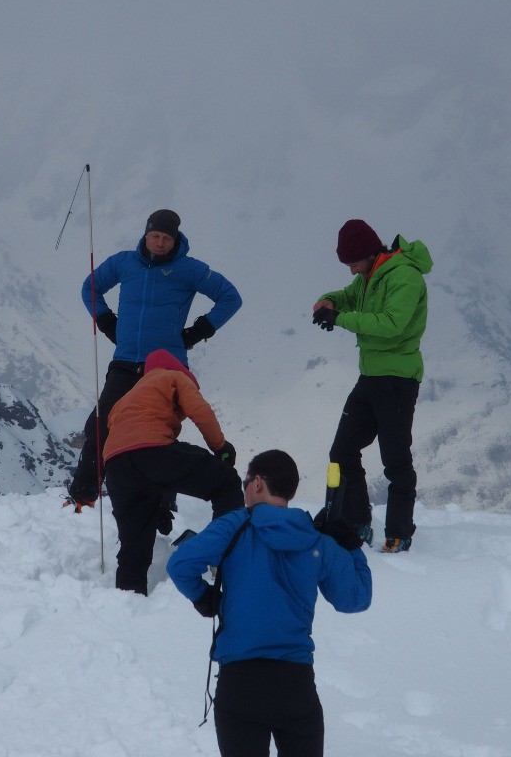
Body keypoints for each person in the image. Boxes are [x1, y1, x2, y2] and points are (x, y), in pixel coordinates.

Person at [167, 449, 372, 757]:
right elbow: (356, 598)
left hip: (240, 684)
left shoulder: (234, 526)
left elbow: (180, 565)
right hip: (296, 687)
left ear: (258, 483)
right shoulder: (317, 540)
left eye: (245, 482)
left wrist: (204, 597)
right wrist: (349, 545)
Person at [65, 208, 242, 512]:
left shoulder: (189, 269)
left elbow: (230, 297)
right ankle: (83, 497)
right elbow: (89, 287)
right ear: (146, 235)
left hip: (165, 368)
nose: (160, 243)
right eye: (155, 236)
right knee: (99, 425)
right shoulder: (124, 262)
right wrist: (106, 322)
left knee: (158, 434)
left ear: (176, 240)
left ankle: (163, 508)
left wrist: (198, 332)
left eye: (166, 238)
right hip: (125, 361)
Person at [311, 219, 432, 553]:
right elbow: (345, 296)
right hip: (370, 377)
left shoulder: (404, 276)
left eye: (353, 263)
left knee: (395, 459)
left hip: (398, 379)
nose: (351, 270)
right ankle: (357, 522)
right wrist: (327, 302)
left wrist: (339, 319)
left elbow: (393, 324)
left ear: (369, 253)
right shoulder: (369, 276)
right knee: (342, 451)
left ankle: (399, 533)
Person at [103, 348, 244, 595]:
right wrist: (221, 447)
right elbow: (201, 412)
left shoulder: (127, 398)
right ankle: (225, 555)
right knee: (226, 483)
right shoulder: (172, 377)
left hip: (115, 463)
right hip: (152, 448)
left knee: (134, 544)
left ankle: (128, 600)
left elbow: (131, 453)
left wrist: (158, 507)